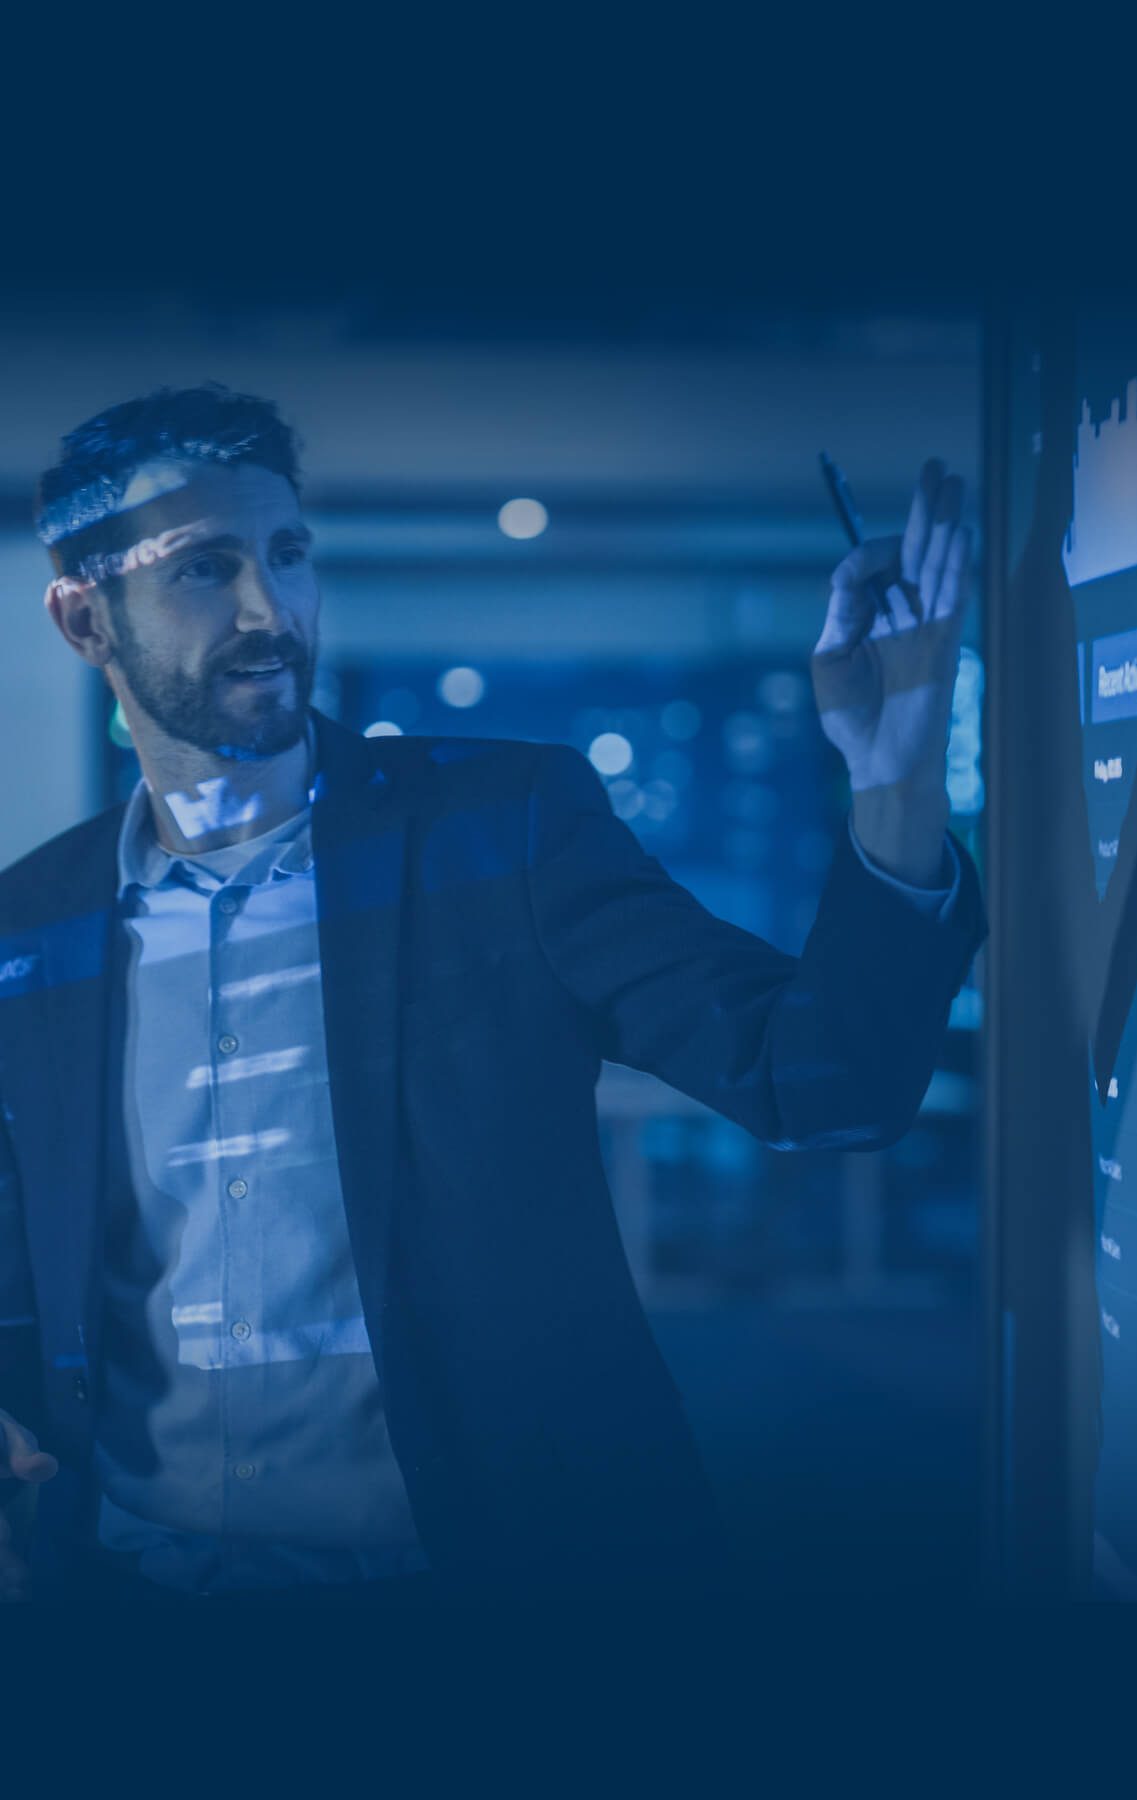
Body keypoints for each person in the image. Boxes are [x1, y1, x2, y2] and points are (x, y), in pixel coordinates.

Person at [0, 383, 986, 1611]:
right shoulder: (31, 925)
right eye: (204, 568)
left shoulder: (501, 831)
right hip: (129, 1600)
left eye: (288, 553)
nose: (270, 609)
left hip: (484, 1584)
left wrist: (893, 786)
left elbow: (823, 1082)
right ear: (85, 618)